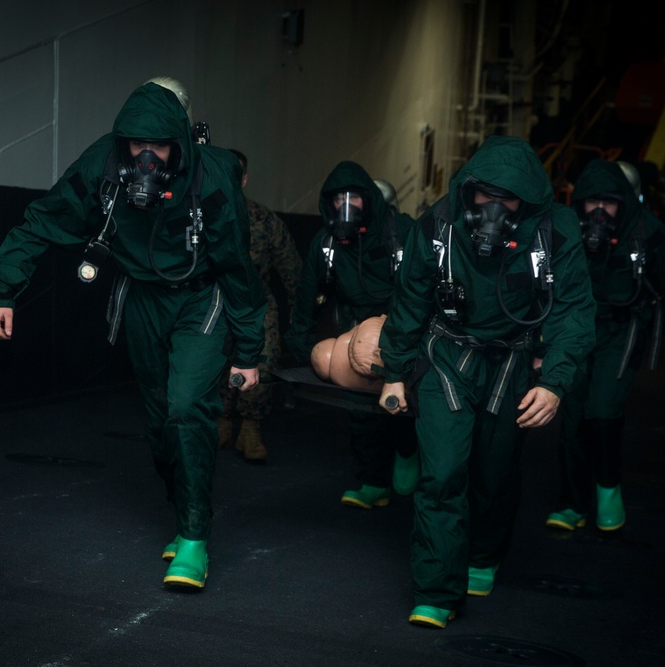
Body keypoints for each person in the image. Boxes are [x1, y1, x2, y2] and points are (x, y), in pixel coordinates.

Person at [0, 80, 267, 590]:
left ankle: (195, 538)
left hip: (202, 297)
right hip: (142, 296)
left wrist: (248, 350)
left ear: (178, 141)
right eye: (138, 145)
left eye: (158, 146)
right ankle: (182, 511)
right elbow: (43, 220)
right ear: (124, 143)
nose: (147, 157)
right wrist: (3, 290)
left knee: (186, 406)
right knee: (160, 421)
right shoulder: (103, 166)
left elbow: (238, 267)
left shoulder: (213, 173)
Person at [376, 136, 597, 629]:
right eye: (484, 195)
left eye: (509, 198)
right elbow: (410, 296)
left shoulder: (555, 233)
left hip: (512, 362)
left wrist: (555, 381)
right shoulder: (438, 223)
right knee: (442, 474)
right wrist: (394, 372)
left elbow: (574, 312)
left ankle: (482, 553)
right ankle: (436, 591)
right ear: (469, 191)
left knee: (493, 473)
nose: (493, 207)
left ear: (528, 202)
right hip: (446, 353)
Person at [544, 158, 665, 535]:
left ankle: (607, 487)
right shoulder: (566, 233)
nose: (600, 211)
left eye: (610, 202)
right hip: (577, 329)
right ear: (580, 201)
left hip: (623, 329)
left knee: (601, 411)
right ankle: (572, 503)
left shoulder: (650, 236)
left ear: (624, 202)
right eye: (592, 202)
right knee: (571, 417)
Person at [285, 161, 420, 508]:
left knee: (403, 402)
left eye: (355, 198)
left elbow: (424, 286)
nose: (347, 205)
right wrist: (298, 350)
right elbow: (306, 295)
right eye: (339, 198)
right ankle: (374, 481)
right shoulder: (326, 243)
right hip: (352, 327)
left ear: (369, 199)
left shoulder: (400, 231)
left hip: (400, 325)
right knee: (359, 407)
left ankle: (407, 451)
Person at [216, 148, 302, 462]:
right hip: (215, 302)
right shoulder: (204, 217)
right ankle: (222, 422)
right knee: (215, 362)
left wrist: (299, 321)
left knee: (261, 364)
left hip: (257, 305)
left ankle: (250, 427)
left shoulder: (265, 221)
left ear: (246, 178)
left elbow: (292, 269)